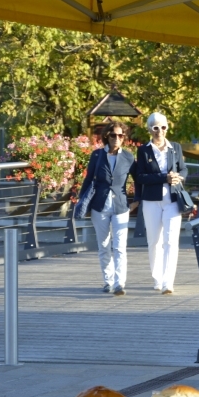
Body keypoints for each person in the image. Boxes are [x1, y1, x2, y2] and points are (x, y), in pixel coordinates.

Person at [79, 121, 137, 296]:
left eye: (120, 135)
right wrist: (83, 204)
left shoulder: (128, 157)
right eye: (113, 135)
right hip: (99, 205)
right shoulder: (97, 155)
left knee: (120, 247)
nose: (117, 138)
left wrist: (137, 201)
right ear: (107, 136)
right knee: (104, 245)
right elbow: (88, 180)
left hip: (120, 206)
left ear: (124, 138)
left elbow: (139, 180)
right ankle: (108, 281)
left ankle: (120, 283)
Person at [134, 112, 187, 295]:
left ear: (167, 127)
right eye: (155, 127)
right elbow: (140, 176)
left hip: (172, 199)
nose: (159, 131)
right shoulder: (143, 151)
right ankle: (157, 278)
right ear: (149, 129)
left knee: (171, 241)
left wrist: (179, 177)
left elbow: (184, 168)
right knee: (154, 241)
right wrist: (164, 177)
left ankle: (168, 282)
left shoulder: (176, 148)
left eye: (162, 127)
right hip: (151, 200)